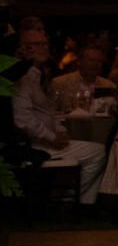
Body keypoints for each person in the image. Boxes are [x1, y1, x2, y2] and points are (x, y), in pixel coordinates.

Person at [10, 29, 107, 203]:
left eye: (45, 43)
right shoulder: (22, 76)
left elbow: (46, 113)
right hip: (33, 145)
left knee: (96, 148)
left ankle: (72, 200)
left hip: (46, 140)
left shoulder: (39, 74)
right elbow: (22, 119)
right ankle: (76, 202)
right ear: (23, 49)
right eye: (36, 44)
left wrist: (59, 131)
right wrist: (52, 136)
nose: (43, 48)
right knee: (97, 152)